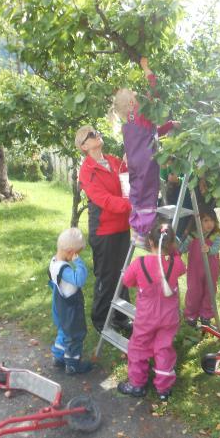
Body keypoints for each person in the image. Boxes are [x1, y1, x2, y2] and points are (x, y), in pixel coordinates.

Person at [112, 56, 180, 245]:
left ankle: (137, 230)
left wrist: (170, 125)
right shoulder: (140, 112)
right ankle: (143, 232)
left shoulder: (130, 121)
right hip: (147, 161)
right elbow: (155, 93)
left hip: (135, 162)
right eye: (136, 96)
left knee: (138, 194)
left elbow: (153, 133)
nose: (140, 98)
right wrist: (147, 69)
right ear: (132, 104)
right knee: (149, 194)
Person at [117, 223, 186, 401]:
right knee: (164, 349)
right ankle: (163, 389)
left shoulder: (139, 263)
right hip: (169, 316)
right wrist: (174, 253)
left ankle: (137, 384)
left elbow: (127, 281)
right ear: (171, 244)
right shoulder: (176, 263)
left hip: (146, 316)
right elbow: (182, 268)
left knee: (138, 347)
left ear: (149, 241)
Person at [76, 125, 132, 334]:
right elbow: (104, 200)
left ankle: (121, 317)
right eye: (90, 135)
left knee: (123, 274)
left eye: (95, 131)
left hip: (122, 227)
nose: (95, 134)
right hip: (104, 231)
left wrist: (130, 161)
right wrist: (131, 206)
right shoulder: (87, 171)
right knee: (107, 277)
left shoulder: (113, 161)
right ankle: (100, 320)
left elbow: (127, 180)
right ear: (84, 146)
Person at [48, 227, 93, 374]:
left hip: (59, 304)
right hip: (70, 308)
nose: (78, 255)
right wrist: (79, 263)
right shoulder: (64, 269)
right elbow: (79, 280)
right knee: (75, 335)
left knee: (63, 330)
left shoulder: (53, 262)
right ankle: (73, 364)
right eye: (77, 253)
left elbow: (53, 282)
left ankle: (58, 356)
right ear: (71, 252)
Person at [178, 209, 220, 327]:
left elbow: (217, 247)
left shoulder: (215, 236)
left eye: (212, 221)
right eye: (206, 220)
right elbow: (183, 248)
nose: (209, 224)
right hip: (195, 270)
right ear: (198, 222)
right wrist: (177, 253)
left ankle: (206, 315)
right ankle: (191, 316)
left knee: (210, 292)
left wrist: (210, 250)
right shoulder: (193, 235)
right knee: (194, 291)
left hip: (211, 269)